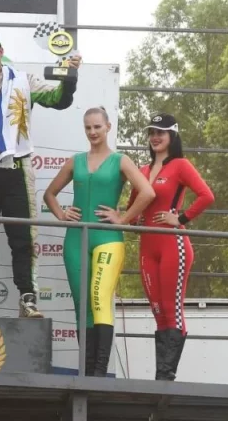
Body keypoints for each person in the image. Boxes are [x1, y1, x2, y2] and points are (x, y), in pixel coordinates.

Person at [0, 29, 80, 319]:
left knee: (22, 238)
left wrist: (69, 77)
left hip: (17, 171)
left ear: (0, 50)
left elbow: (59, 99)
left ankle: (28, 298)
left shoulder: (22, 81)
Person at [43, 107, 155, 376]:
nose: (93, 132)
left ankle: (99, 372)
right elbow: (50, 194)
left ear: (108, 127)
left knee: (99, 298)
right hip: (75, 241)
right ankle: (85, 370)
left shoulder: (121, 160)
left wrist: (124, 218)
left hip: (107, 238)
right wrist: (61, 213)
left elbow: (148, 192)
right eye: (88, 128)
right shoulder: (75, 161)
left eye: (97, 127)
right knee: (82, 302)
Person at [130, 113, 214, 381]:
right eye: (152, 132)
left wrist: (181, 218)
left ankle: (166, 376)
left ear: (172, 136)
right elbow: (133, 208)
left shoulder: (180, 165)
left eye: (161, 132)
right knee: (157, 309)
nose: (155, 137)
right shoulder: (141, 170)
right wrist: (122, 217)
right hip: (147, 246)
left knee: (172, 308)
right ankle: (161, 376)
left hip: (173, 244)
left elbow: (206, 195)